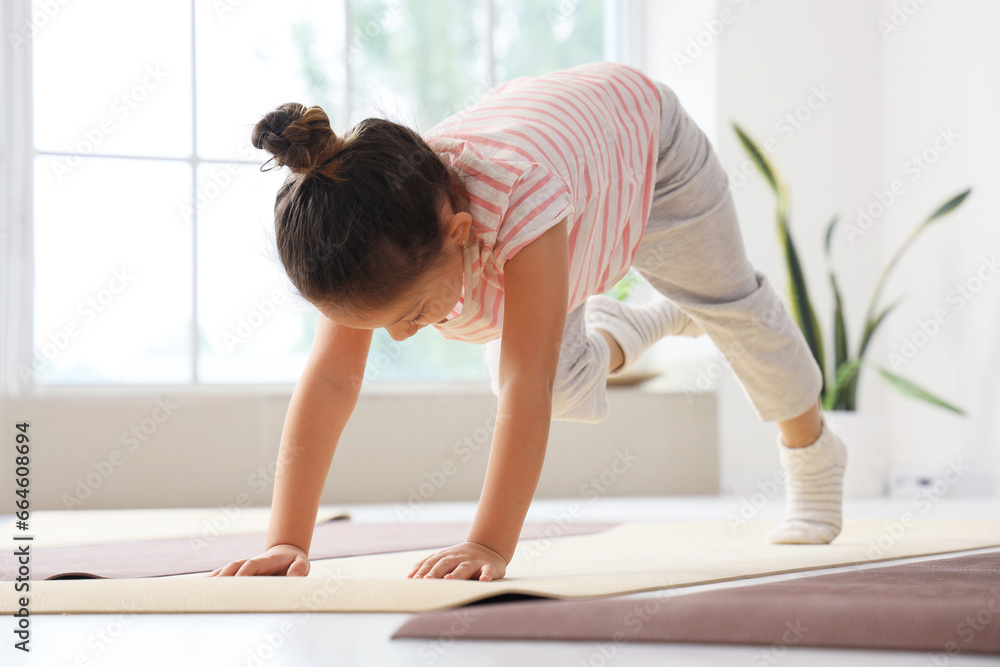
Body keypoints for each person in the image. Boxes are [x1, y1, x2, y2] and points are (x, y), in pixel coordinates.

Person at [207, 61, 847, 582]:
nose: (401, 336)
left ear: (460, 234)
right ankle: (645, 324)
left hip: (649, 151)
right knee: (569, 391)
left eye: (413, 315)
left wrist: (489, 544)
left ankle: (814, 455)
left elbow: (522, 386)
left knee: (732, 310)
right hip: (572, 183)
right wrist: (288, 540)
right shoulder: (370, 230)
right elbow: (330, 384)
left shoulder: (520, 201)